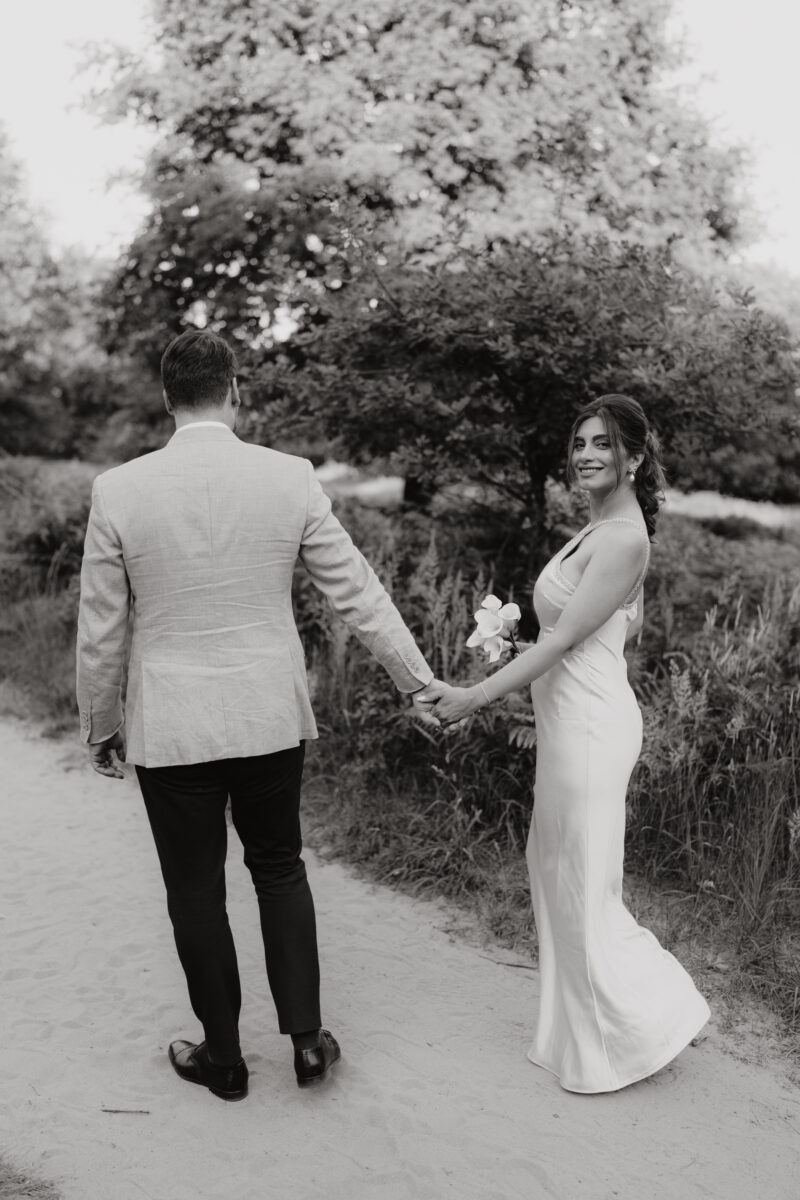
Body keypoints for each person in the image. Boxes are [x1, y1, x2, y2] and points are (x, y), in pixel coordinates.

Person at [76, 329, 435, 1101]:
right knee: (279, 868)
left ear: (166, 399)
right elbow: (357, 591)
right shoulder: (288, 477)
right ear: (235, 390)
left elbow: (101, 626)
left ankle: (224, 1059)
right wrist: (415, 680)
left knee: (195, 890)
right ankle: (307, 1044)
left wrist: (101, 723)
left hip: (173, 727)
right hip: (268, 714)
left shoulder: (119, 489)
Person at [420, 395, 710, 1093]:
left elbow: (568, 639)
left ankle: (648, 1023)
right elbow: (598, 634)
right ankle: (576, 1037)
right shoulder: (597, 529)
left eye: (602, 444)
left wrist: (473, 695)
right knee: (554, 871)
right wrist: (519, 642)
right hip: (568, 723)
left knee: (581, 882)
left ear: (634, 458)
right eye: (580, 442)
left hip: (591, 731)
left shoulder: (624, 538)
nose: (585, 454)